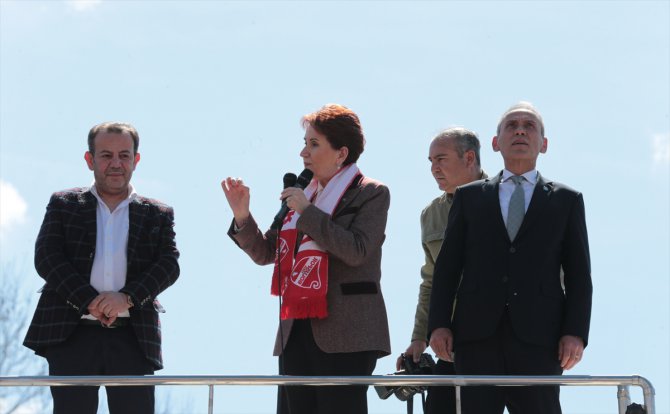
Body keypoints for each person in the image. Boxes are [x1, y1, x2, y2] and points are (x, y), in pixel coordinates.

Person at [222, 103, 391, 414]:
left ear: (341, 153)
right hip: (296, 329)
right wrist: (242, 215)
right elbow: (267, 252)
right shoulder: (302, 193)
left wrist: (307, 213)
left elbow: (357, 251)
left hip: (347, 331)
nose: (304, 153)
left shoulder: (371, 193)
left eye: (314, 144)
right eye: (304, 144)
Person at [428, 102, 593, 414]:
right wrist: (438, 325)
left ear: (543, 144)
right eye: (512, 125)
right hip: (475, 336)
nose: (520, 130)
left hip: (540, 338)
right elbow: (447, 269)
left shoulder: (566, 201)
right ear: (495, 142)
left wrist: (575, 333)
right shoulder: (469, 197)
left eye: (529, 126)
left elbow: (579, 274)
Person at [23, 122, 180, 414]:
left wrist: (127, 298)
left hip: (134, 336)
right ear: (89, 159)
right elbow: (47, 257)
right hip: (71, 334)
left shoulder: (157, 213)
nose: (116, 164)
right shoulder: (64, 203)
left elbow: (168, 265)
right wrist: (90, 300)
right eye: (106, 155)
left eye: (124, 155)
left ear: (136, 159)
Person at [397, 127, 486, 413]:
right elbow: (430, 281)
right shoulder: (431, 214)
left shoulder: (503, 199)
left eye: (441, 159)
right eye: (430, 161)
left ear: (469, 157)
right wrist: (419, 337)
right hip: (449, 342)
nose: (434, 168)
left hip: (501, 341)